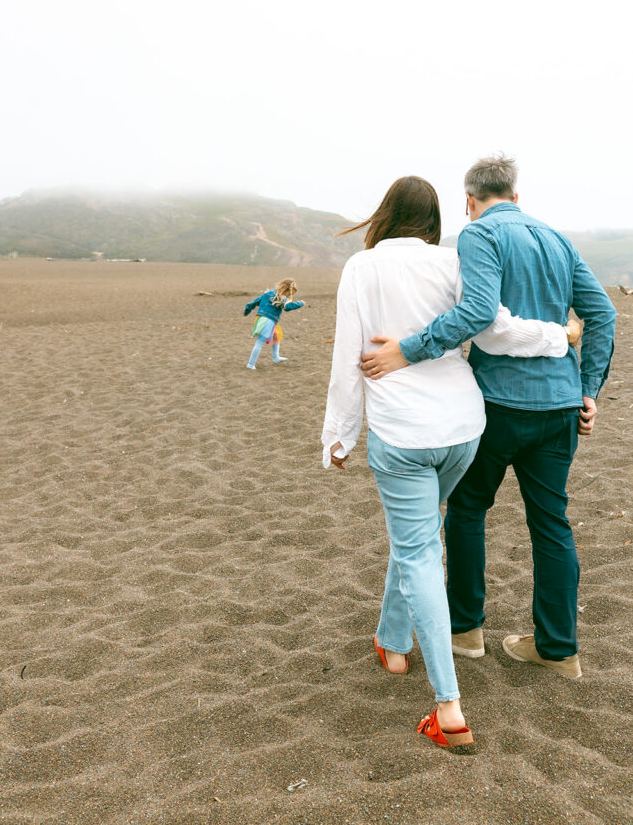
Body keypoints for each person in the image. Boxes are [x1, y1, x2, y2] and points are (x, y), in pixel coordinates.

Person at [322, 176, 580, 753]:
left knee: (417, 548)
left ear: (384, 216)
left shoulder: (361, 269)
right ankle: (393, 643)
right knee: (415, 535)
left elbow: (348, 357)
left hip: (404, 432)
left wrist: (339, 436)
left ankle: (449, 707)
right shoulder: (451, 262)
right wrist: (560, 334)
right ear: (435, 219)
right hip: (464, 428)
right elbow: (498, 326)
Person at [360, 156, 616, 681]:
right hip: (560, 408)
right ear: (516, 197)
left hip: (498, 405)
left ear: (469, 201)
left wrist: (409, 350)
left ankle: (466, 631)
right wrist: (588, 390)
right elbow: (603, 313)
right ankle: (559, 649)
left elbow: (478, 313)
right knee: (551, 523)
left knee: (469, 511)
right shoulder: (558, 240)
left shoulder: (478, 235)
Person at [243, 278, 304, 369]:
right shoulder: (282, 298)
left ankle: (275, 357)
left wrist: (246, 311)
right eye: (290, 294)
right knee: (260, 342)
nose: (289, 296)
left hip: (263, 319)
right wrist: (300, 303)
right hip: (267, 321)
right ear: (286, 290)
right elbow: (288, 307)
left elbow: (254, 302)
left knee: (276, 335)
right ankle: (251, 364)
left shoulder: (267, 294)